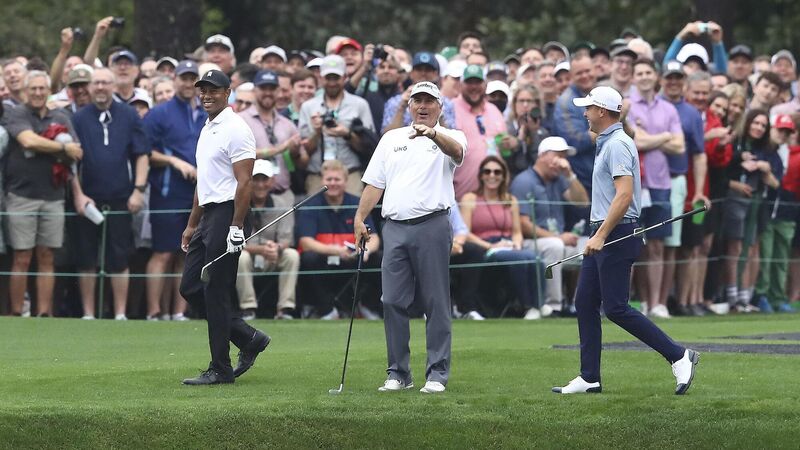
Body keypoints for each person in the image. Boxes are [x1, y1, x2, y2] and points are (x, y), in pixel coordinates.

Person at [553, 86, 699, 395]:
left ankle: (678, 355)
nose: (584, 113)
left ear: (602, 111)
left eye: (589, 108)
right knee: (585, 302)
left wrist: (601, 235)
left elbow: (624, 195)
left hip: (616, 233)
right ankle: (589, 376)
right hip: (605, 231)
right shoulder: (608, 141)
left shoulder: (618, 144)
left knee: (616, 307)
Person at [355, 81, 466, 394]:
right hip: (394, 227)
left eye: (429, 101)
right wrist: (360, 217)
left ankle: (437, 373)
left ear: (439, 107)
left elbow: (457, 153)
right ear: (410, 105)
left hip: (433, 225)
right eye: (418, 100)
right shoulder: (392, 138)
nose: (423, 106)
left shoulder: (452, 136)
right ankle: (399, 373)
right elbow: (375, 183)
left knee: (435, 301)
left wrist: (433, 134)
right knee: (391, 300)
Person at [179, 69, 269, 385]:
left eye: (213, 90)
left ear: (227, 92)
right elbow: (204, 182)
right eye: (203, 90)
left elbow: (244, 182)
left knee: (216, 291)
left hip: (228, 213)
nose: (206, 95)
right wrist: (191, 224)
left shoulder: (236, 129)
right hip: (208, 215)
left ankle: (220, 368)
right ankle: (248, 337)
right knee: (190, 287)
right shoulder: (208, 128)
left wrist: (236, 226)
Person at [70, 68, 150, 320]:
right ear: (90, 87)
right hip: (88, 199)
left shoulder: (129, 115)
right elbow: (71, 162)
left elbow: (142, 155)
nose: (101, 87)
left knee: (120, 257)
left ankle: (120, 314)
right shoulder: (78, 118)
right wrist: (78, 195)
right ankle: (88, 314)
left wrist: (138, 191)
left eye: (105, 82)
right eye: (96, 83)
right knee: (86, 258)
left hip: (121, 197)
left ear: (113, 85)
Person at [1, 70, 82, 316]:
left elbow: (77, 152)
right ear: (26, 91)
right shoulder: (16, 113)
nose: (37, 93)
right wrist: (61, 148)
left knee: (47, 257)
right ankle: (18, 313)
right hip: (21, 196)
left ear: (49, 91)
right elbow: (28, 141)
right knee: (22, 257)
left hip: (54, 196)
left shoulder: (61, 115)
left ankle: (43, 314)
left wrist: (63, 149)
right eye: (33, 88)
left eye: (41, 88)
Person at [143, 60, 206, 321]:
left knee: (186, 252)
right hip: (167, 191)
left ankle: (178, 312)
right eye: (183, 78)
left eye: (192, 78)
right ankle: (154, 311)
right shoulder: (159, 113)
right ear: (175, 80)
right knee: (163, 252)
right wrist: (174, 161)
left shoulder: (205, 113)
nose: (188, 83)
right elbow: (144, 152)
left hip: (198, 192)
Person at [626, 58, 685, 318]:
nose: (644, 77)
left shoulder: (668, 109)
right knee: (632, 244)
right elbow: (634, 141)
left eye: (648, 72)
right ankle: (630, 303)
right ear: (633, 78)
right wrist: (663, 137)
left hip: (661, 183)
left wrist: (648, 138)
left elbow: (680, 146)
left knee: (657, 245)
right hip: (634, 184)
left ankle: (656, 303)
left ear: (656, 76)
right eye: (639, 73)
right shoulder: (627, 105)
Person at [510, 136, 589, 316]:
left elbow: (582, 202)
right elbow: (523, 224)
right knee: (554, 246)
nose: (562, 161)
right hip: (530, 243)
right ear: (542, 155)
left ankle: (581, 304)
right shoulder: (524, 181)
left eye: (564, 157)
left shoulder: (559, 179)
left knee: (591, 247)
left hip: (558, 242)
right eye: (557, 155)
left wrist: (570, 175)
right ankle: (553, 307)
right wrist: (558, 237)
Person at [461, 155, 545, 319]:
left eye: (497, 172)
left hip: (508, 244)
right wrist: (490, 246)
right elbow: (465, 232)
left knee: (534, 258)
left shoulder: (510, 200)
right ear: (481, 175)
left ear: (503, 175)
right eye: (487, 172)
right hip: (483, 246)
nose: (492, 175)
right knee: (518, 260)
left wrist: (517, 244)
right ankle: (527, 304)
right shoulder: (470, 199)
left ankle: (538, 305)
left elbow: (517, 231)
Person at [296, 159, 381, 319]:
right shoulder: (310, 204)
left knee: (379, 258)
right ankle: (325, 309)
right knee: (308, 258)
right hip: (323, 260)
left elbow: (374, 237)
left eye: (337, 179)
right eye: (329, 179)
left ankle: (368, 305)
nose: (333, 183)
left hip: (354, 257)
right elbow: (305, 242)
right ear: (322, 181)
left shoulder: (358, 204)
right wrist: (335, 250)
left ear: (346, 181)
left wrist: (366, 251)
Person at [659, 61, 710, 316]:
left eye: (678, 78)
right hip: (650, 180)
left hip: (678, 180)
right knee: (652, 244)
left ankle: (668, 302)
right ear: (661, 80)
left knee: (673, 245)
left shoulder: (691, 113)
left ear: (684, 82)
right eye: (669, 77)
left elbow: (699, 155)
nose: (673, 82)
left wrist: (698, 190)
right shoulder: (653, 105)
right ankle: (651, 301)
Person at [298, 55, 375, 195]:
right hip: (317, 176)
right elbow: (303, 152)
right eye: (328, 78)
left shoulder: (359, 105)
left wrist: (347, 134)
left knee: (354, 209)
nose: (332, 83)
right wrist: (316, 132)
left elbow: (369, 147)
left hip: (350, 175)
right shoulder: (308, 107)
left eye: (336, 78)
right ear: (321, 78)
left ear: (345, 77)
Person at [236, 160, 299, 320]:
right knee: (240, 257)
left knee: (292, 255)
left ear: (272, 181)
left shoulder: (282, 205)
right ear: (249, 181)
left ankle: (285, 308)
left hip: (273, 256)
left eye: (264, 179)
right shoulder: (239, 203)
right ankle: (248, 307)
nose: (260, 184)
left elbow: (286, 239)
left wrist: (276, 248)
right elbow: (234, 240)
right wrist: (259, 250)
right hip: (248, 255)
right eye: (256, 179)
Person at [453, 65, 506, 199]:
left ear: (485, 84)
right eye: (469, 82)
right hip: (458, 198)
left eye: (478, 82)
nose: (474, 87)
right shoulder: (449, 109)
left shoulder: (494, 110)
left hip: (493, 197)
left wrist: (511, 144)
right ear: (461, 85)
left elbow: (503, 150)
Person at [502, 85, 549, 176]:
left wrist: (533, 133)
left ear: (536, 105)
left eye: (529, 101)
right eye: (521, 101)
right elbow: (514, 164)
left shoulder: (543, 133)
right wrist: (519, 141)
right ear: (514, 104)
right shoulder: (506, 129)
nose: (525, 105)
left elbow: (540, 163)